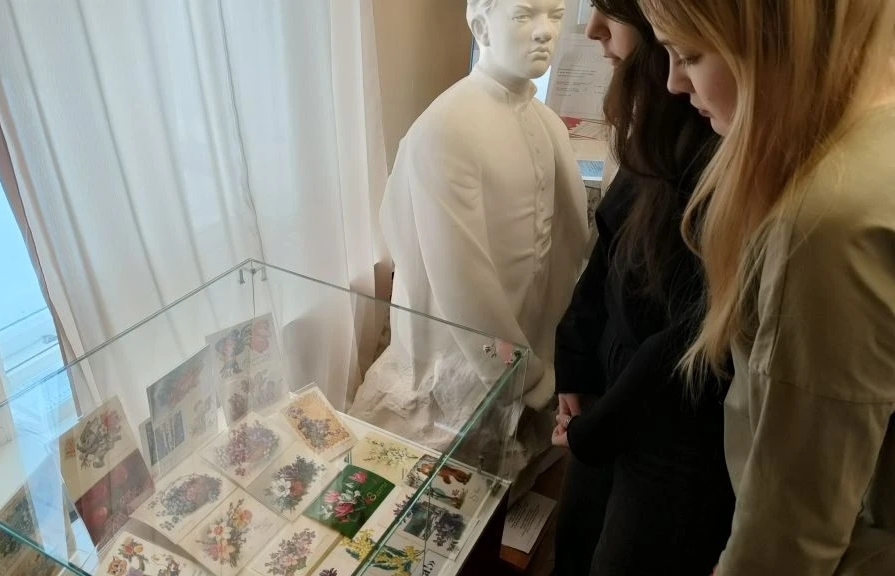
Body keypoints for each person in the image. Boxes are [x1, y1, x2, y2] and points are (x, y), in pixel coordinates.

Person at [638, 0, 895, 573]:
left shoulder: (826, 224)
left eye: (689, 55)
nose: (675, 82)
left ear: (777, 39)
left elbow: (793, 532)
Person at [350, 0, 589, 469]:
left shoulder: (547, 124)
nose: (545, 31)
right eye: (525, 16)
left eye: (556, 15)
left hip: (532, 348)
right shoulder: (447, 129)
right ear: (481, 26)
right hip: (463, 366)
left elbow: (568, 243)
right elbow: (462, 281)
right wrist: (527, 376)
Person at [550, 1, 734, 574]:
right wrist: (574, 364)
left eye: (611, 10)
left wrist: (597, 428)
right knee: (575, 543)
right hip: (612, 398)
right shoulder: (660, 122)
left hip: (668, 431)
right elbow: (606, 259)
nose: (592, 29)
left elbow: (689, 331)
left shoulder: (718, 138)